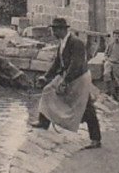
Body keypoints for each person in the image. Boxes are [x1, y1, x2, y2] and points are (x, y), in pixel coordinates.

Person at [32, 17, 102, 149]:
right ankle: (44, 121)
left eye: (55, 29)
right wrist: (46, 77)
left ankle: (96, 139)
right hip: (68, 75)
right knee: (48, 90)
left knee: (86, 107)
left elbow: (76, 64)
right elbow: (57, 63)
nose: (53, 32)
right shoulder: (62, 43)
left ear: (62, 30)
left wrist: (65, 81)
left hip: (79, 78)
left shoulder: (76, 43)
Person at [104, 29, 119, 102]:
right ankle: (109, 91)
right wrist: (107, 59)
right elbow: (106, 54)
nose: (116, 37)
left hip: (118, 64)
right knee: (106, 74)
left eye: (118, 36)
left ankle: (117, 94)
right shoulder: (110, 45)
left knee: (118, 80)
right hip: (110, 63)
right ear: (113, 36)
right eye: (115, 36)